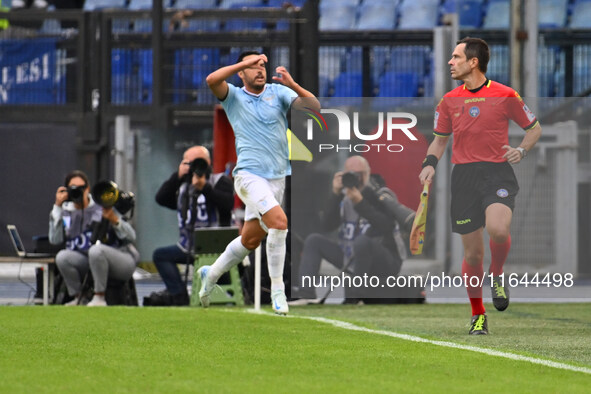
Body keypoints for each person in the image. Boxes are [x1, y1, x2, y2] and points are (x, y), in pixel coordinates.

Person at [418, 37, 542, 335]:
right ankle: (478, 314)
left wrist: (521, 150)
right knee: (473, 255)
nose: (450, 62)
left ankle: (497, 273)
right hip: (464, 178)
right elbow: (439, 140)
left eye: (456, 57)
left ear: (473, 62)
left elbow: (534, 129)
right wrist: (428, 165)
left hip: (497, 173)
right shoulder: (448, 101)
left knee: (498, 230)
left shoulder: (505, 94)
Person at [200, 50, 319, 315]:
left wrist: (292, 85)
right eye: (254, 66)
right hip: (249, 176)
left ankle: (211, 273)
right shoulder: (234, 96)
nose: (260, 69)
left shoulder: (278, 92)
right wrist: (244, 63)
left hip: (277, 177)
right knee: (280, 223)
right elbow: (211, 80)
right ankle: (279, 290)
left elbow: (314, 107)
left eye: (262, 65)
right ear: (242, 72)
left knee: (250, 240)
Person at [293, 155, 415, 304]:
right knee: (314, 241)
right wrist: (335, 195)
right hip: (351, 257)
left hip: (385, 259)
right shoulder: (343, 197)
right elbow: (326, 226)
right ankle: (306, 294)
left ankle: (356, 298)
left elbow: (386, 226)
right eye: (352, 174)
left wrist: (360, 203)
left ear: (368, 173)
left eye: (361, 174)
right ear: (344, 174)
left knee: (362, 242)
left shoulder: (382, 195)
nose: (357, 178)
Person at [146, 145, 234, 306]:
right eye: (188, 163)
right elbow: (161, 198)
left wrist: (205, 188)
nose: (194, 167)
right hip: (187, 246)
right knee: (161, 255)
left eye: (198, 162)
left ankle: (218, 296)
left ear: (208, 163)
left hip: (217, 248)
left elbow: (228, 203)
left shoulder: (219, 180)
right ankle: (179, 296)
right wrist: (178, 176)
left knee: (222, 283)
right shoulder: (183, 188)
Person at [49, 170, 139, 306]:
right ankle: (79, 297)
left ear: (88, 188)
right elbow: (55, 240)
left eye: (82, 188)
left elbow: (131, 237)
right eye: (74, 188)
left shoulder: (101, 205)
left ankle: (99, 298)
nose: (79, 192)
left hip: (119, 258)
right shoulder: (66, 211)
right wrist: (57, 208)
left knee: (96, 251)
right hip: (89, 261)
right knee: (62, 257)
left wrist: (114, 220)